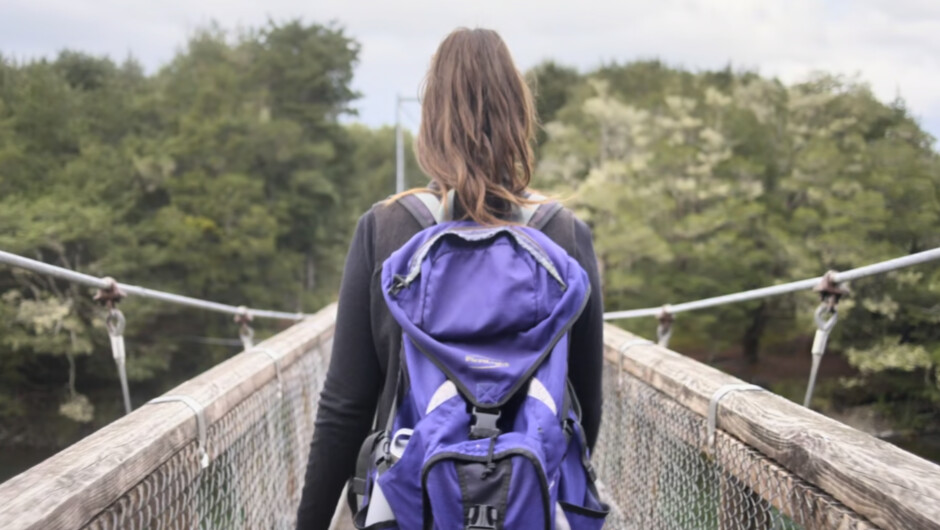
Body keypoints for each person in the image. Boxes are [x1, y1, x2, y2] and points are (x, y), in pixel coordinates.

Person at [295, 27, 604, 529]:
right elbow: (584, 407)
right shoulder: (564, 237)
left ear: (431, 119)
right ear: (520, 115)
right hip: (529, 502)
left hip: (411, 505)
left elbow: (344, 408)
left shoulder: (386, 228)